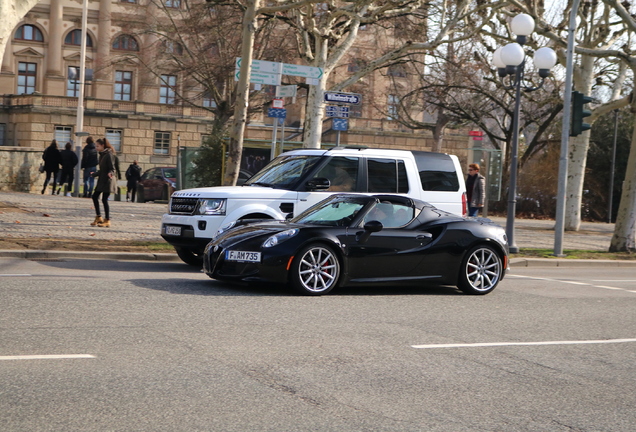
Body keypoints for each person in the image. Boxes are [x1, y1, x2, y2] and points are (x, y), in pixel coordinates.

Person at [90, 138, 117, 228]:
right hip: (102, 179)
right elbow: (102, 170)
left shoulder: (108, 154)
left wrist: (111, 173)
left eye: (97, 146)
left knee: (104, 199)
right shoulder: (102, 154)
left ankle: (107, 220)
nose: (96, 148)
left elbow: (112, 168)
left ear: (102, 146)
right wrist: (94, 174)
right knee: (94, 197)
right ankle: (99, 217)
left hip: (107, 180)